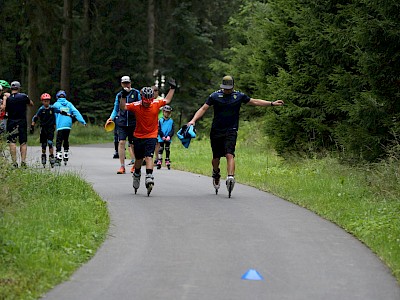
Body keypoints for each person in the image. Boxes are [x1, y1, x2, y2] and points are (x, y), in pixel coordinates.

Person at [188, 75, 284, 194]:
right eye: (225, 88)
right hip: (216, 130)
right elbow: (203, 108)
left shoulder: (239, 96)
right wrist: (193, 120)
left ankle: (230, 178)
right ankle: (216, 173)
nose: (227, 90)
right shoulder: (215, 96)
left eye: (229, 88)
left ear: (233, 86)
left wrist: (272, 103)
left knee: (230, 154)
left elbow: (254, 101)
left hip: (231, 130)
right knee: (216, 158)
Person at [119, 80, 176, 194]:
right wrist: (123, 96)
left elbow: (168, 100)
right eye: (145, 101)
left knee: (149, 156)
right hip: (138, 135)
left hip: (151, 135)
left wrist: (172, 88)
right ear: (142, 98)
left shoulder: (155, 103)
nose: (147, 103)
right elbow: (123, 107)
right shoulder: (136, 105)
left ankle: (149, 176)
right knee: (139, 159)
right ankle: (137, 174)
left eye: (149, 101)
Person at [107, 76, 141, 174]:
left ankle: (135, 164)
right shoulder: (119, 95)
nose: (126, 85)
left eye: (127, 83)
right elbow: (116, 108)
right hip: (121, 122)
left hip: (133, 122)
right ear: (122, 84)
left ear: (130, 83)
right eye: (124, 83)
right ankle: (122, 166)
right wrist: (111, 118)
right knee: (121, 142)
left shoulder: (136, 93)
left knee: (133, 144)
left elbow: (140, 105)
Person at [2, 81, 33, 168]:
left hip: (11, 121)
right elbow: (31, 104)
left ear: (11, 88)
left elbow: (3, 108)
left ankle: (14, 163)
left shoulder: (8, 98)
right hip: (22, 121)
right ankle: (23, 162)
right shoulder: (23, 96)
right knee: (23, 142)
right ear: (19, 88)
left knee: (12, 142)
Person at [53, 90, 87, 166]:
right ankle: (66, 154)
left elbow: (54, 115)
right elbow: (76, 112)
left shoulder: (56, 104)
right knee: (66, 139)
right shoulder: (69, 104)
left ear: (57, 97)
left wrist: (53, 124)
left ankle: (58, 158)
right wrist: (83, 121)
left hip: (60, 125)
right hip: (68, 125)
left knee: (59, 141)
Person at [31, 93, 58, 167]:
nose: (46, 102)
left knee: (50, 142)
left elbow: (59, 111)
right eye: (45, 101)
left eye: (48, 101)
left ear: (49, 101)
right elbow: (35, 117)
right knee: (43, 144)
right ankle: (43, 155)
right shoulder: (41, 109)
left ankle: (51, 156)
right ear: (42, 101)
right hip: (43, 128)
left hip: (51, 128)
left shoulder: (52, 108)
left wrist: (67, 113)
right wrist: (32, 125)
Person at [156, 105, 174, 169]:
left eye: (168, 112)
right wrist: (162, 136)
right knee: (161, 148)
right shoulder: (160, 120)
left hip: (168, 137)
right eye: (166, 112)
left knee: (167, 148)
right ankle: (159, 159)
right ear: (163, 112)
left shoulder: (171, 121)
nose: (167, 114)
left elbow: (172, 130)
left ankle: (167, 159)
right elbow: (159, 129)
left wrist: (169, 136)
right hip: (161, 137)